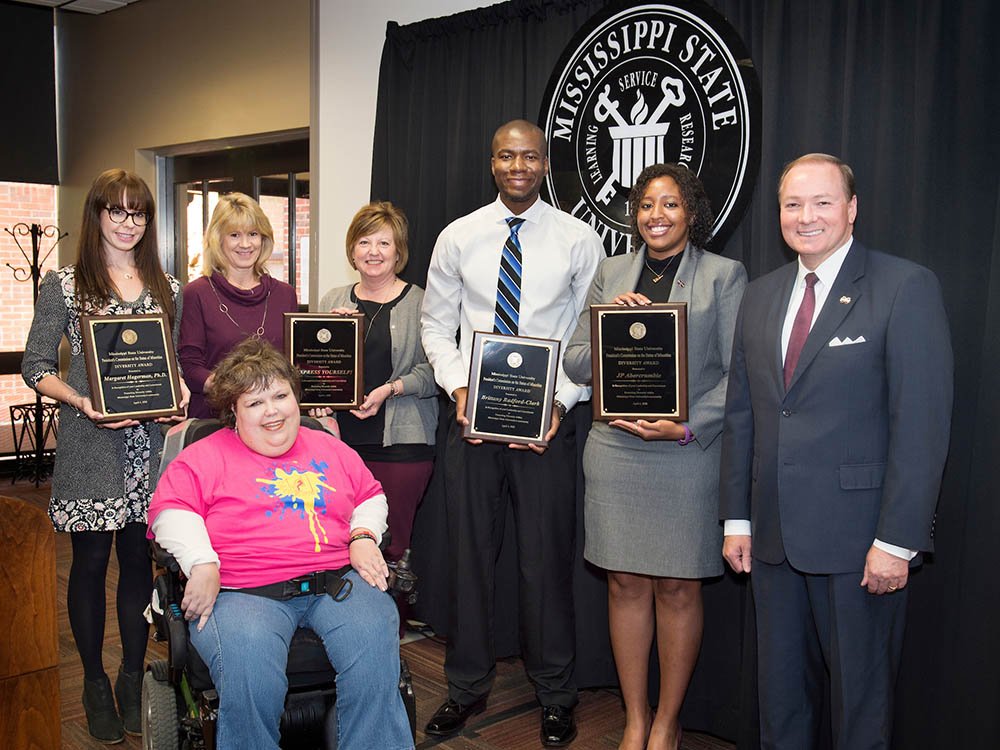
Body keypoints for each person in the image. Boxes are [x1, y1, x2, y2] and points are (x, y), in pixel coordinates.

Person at [719, 154, 953, 749]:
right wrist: (737, 518)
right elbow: (742, 412)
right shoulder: (762, 294)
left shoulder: (904, 286)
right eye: (793, 204)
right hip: (770, 542)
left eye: (822, 202)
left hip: (860, 545)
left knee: (860, 710)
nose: (807, 216)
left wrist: (897, 541)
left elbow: (921, 425)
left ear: (852, 209)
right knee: (781, 704)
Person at [420, 119, 603, 746]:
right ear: (492, 163)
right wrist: (458, 389)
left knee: (544, 560)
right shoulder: (459, 236)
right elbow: (437, 325)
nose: (517, 165)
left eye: (529, 156)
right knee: (469, 555)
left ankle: (555, 693)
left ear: (545, 163)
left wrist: (563, 402)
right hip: (471, 420)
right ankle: (466, 687)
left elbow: (588, 335)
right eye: (505, 155)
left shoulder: (580, 239)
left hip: (547, 424)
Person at [147, 338, 414, 750]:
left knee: (375, 633)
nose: (272, 410)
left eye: (280, 396)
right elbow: (170, 511)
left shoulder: (329, 447)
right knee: (250, 665)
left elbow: (369, 495)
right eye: (254, 403)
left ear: (296, 399)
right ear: (233, 412)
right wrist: (202, 563)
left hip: (334, 583)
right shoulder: (203, 457)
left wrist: (363, 536)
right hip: (243, 592)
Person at [564, 163, 746, 750]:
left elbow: (737, 377)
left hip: (685, 454)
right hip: (615, 452)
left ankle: (667, 722)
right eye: (646, 205)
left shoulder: (723, 276)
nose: (656, 215)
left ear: (691, 213)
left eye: (669, 204)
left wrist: (686, 429)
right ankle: (634, 716)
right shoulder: (610, 272)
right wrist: (606, 321)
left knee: (677, 588)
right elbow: (572, 363)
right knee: (623, 583)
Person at [21, 168, 188, 742]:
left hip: (149, 452)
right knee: (90, 566)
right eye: (115, 211)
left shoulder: (167, 285)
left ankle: (131, 677)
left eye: (137, 212)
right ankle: (93, 681)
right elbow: (36, 366)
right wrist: (84, 401)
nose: (127, 222)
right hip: (91, 447)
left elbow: (173, 366)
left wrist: (181, 391)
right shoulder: (65, 284)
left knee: (140, 566)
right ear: (96, 216)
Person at [319, 201, 438, 569]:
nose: (373, 252)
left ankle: (390, 622)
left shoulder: (422, 302)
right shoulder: (332, 300)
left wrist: (391, 388)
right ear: (352, 250)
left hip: (401, 444)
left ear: (398, 252)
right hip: (340, 442)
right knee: (338, 538)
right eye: (365, 242)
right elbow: (309, 369)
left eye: (384, 244)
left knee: (391, 543)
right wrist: (334, 333)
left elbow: (437, 370)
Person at [177, 192, 299, 418]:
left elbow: (295, 363)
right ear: (218, 239)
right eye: (234, 235)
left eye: (253, 234)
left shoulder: (285, 294)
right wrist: (245, 395)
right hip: (216, 420)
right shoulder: (196, 294)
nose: (245, 244)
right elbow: (190, 367)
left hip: (275, 420)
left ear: (263, 238)